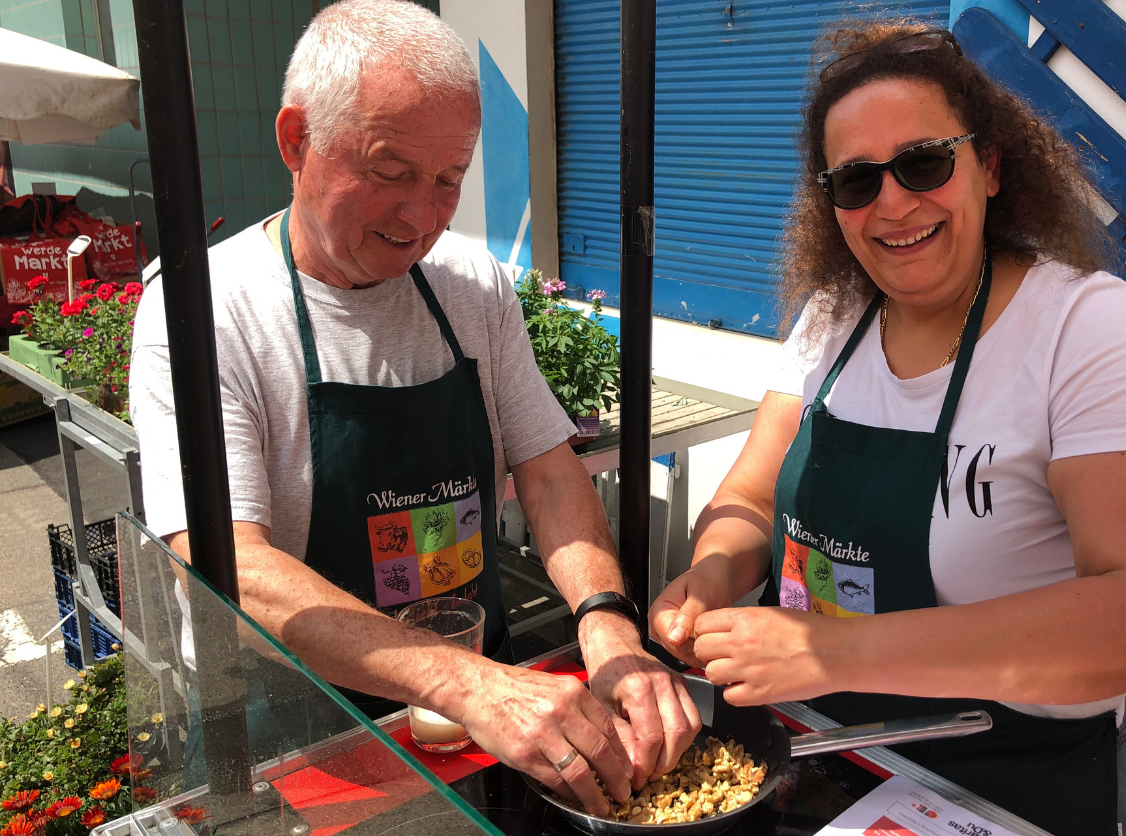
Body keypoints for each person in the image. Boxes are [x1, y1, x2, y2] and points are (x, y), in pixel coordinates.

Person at [129, 0, 700, 817]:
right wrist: (464, 681)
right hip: (295, 740)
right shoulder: (206, 310)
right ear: (297, 141)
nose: (422, 217)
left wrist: (606, 621)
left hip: (474, 729)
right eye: (390, 172)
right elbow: (229, 563)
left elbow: (545, 468)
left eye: (448, 180)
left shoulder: (471, 287)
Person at [649, 22, 1126, 836]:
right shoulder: (830, 321)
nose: (892, 203)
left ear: (988, 165)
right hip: (814, 762)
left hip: (1005, 784)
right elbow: (751, 496)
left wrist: (829, 651)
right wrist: (708, 576)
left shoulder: (1082, 326)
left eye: (923, 162)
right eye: (854, 182)